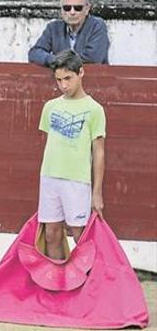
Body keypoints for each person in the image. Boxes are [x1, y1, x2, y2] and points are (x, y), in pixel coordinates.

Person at [37, 50, 105, 260]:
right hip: (49, 178)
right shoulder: (50, 107)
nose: (63, 85)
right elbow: (51, 143)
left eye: (68, 78)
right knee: (51, 234)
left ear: (81, 73)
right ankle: (59, 287)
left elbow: (99, 152)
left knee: (81, 236)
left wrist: (97, 192)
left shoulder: (94, 109)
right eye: (59, 80)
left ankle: (89, 288)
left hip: (77, 180)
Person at [28, 0, 109, 67]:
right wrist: (53, 60)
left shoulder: (97, 26)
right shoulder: (53, 28)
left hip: (93, 78)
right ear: (61, 10)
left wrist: (59, 61)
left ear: (87, 9)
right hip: (61, 78)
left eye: (78, 8)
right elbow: (34, 53)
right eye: (67, 8)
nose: (72, 12)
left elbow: (93, 58)